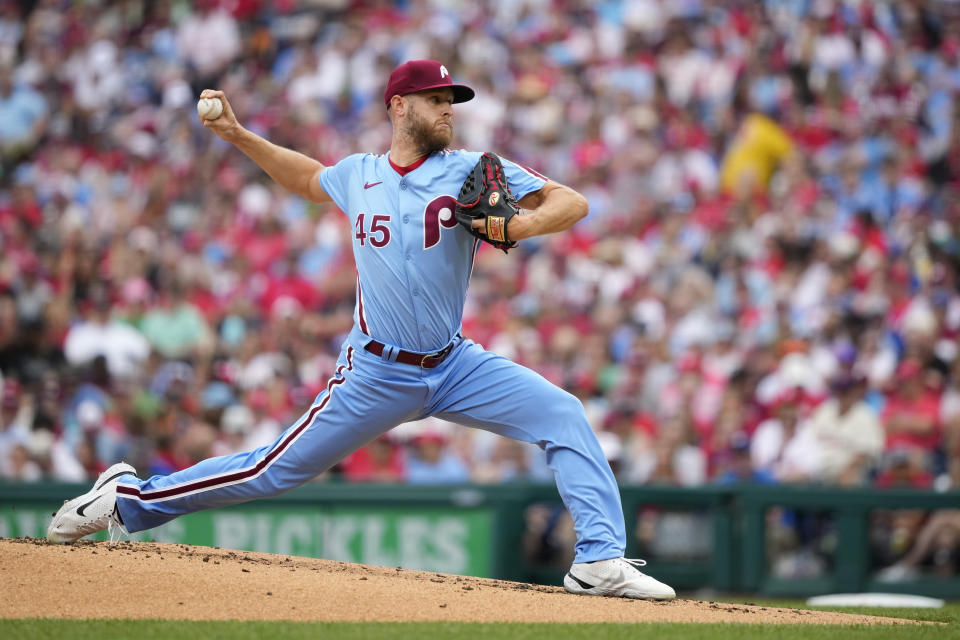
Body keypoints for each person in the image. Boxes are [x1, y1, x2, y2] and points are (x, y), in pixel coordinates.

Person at [46, 59, 675, 601]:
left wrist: (520, 226)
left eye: (452, 101)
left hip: (456, 366)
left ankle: (598, 562)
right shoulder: (360, 173)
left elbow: (571, 201)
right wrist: (237, 135)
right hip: (376, 371)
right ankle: (129, 499)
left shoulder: (468, 169)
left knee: (563, 414)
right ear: (400, 106)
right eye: (436, 100)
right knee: (272, 470)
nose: (448, 111)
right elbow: (306, 178)